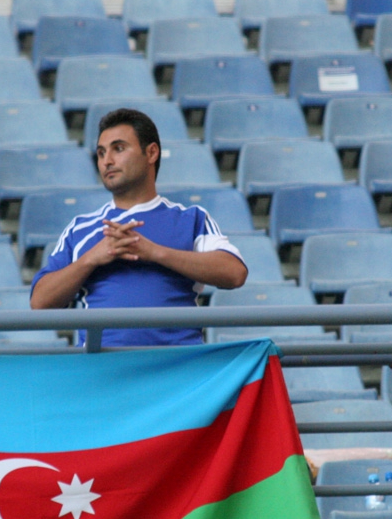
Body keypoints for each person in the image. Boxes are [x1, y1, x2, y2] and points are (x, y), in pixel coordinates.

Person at [30, 109, 248, 347]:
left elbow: (234, 273)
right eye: (101, 153)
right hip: (105, 372)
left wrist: (154, 252)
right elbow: (40, 301)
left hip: (179, 370)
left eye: (119, 148)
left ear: (151, 152)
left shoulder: (191, 218)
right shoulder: (80, 228)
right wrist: (91, 259)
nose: (107, 161)